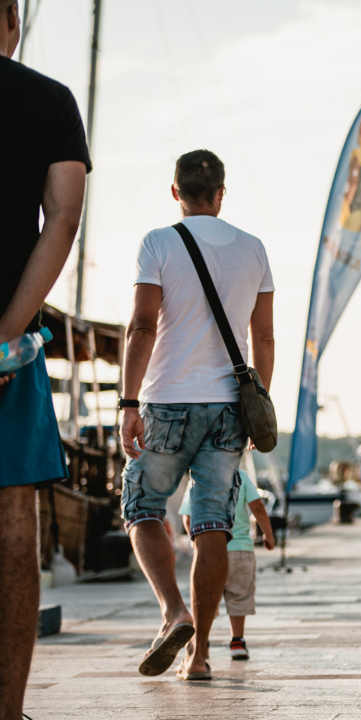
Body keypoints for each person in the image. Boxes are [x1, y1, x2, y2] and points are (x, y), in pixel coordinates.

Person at [120, 150, 275, 681]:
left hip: (167, 400)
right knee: (213, 524)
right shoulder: (253, 249)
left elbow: (143, 325)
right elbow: (264, 338)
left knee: (143, 505)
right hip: (229, 406)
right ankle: (201, 655)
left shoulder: (158, 243)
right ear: (221, 194)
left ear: (175, 192)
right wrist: (258, 407)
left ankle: (173, 611)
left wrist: (128, 403)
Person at [0, 3, 91, 715]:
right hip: (10, 347)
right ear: (12, 17)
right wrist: (6, 334)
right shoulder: (49, 100)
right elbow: (62, 219)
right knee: (12, 520)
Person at [179, 469, 274, 668]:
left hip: (209, 550)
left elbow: (187, 517)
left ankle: (203, 643)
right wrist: (268, 535)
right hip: (240, 550)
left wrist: (195, 541)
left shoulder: (197, 477)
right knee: (239, 596)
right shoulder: (241, 476)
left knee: (206, 598)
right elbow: (257, 507)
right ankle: (237, 642)